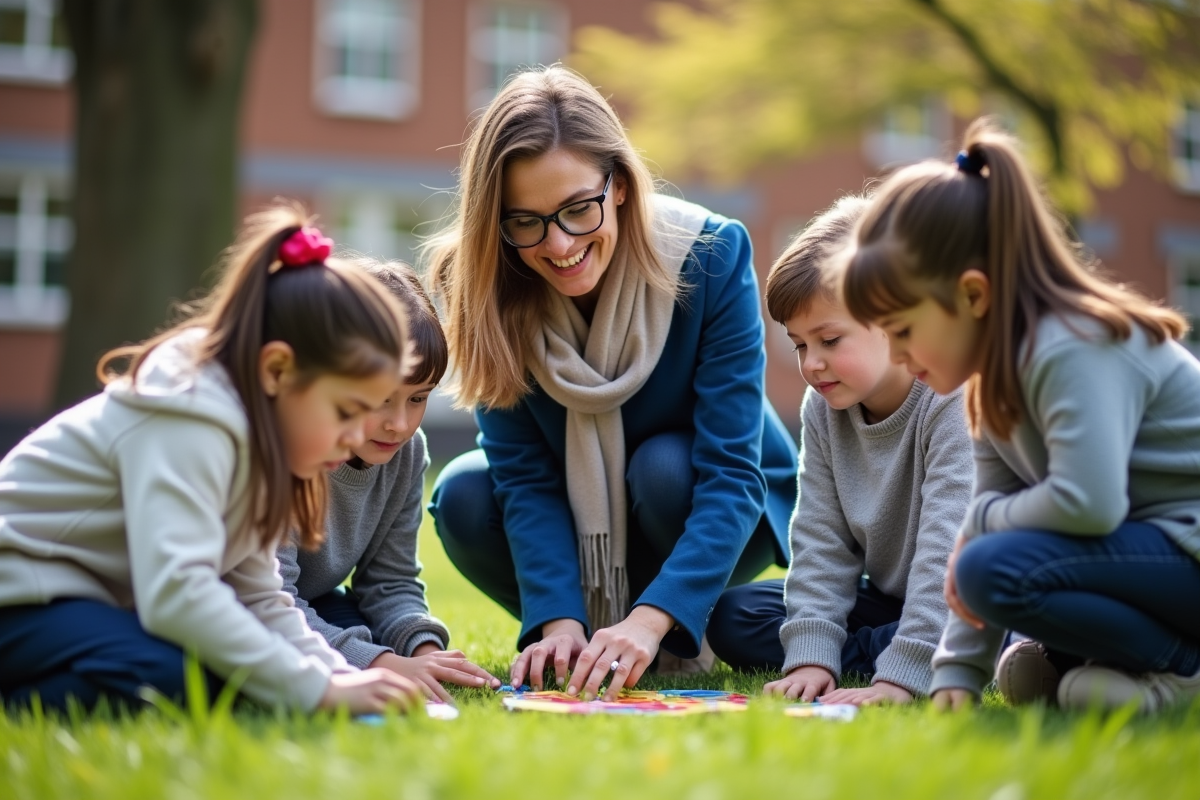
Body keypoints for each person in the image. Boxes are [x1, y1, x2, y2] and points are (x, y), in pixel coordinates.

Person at [426, 66, 797, 701]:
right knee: (463, 493)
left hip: (716, 500)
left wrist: (654, 620)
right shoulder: (483, 281)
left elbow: (731, 472)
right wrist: (558, 618)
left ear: (619, 184)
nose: (560, 244)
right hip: (582, 517)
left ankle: (673, 620)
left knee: (661, 467)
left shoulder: (709, 254)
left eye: (578, 209)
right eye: (526, 221)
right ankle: (590, 635)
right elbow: (524, 475)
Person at [0, 206, 423, 715]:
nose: (360, 435)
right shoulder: (192, 412)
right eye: (346, 411)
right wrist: (317, 691)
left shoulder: (269, 441)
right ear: (277, 371)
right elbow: (178, 593)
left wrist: (337, 676)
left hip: (84, 606)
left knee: (231, 673)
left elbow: (261, 597)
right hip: (23, 597)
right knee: (188, 679)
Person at [841, 119, 1200, 713]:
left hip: (1184, 550)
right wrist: (956, 675)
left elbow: (1088, 503)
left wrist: (986, 521)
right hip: (1149, 560)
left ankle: (1181, 670)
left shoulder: (1071, 347)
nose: (898, 355)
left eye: (904, 330)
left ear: (974, 296)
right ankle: (1112, 666)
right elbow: (986, 526)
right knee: (998, 587)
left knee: (991, 562)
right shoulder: (994, 384)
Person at [705, 196, 973, 706]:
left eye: (829, 339)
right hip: (890, 601)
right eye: (800, 344)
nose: (812, 364)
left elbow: (948, 551)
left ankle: (938, 653)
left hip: (972, 596)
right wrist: (810, 655)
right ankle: (904, 648)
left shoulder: (951, 395)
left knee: (1001, 621)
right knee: (735, 616)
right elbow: (820, 537)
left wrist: (902, 677)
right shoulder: (823, 405)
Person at [276, 259, 500, 704]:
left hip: (319, 602)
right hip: (261, 601)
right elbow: (269, 596)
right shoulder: (285, 448)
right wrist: (381, 663)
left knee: (352, 618)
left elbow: (390, 582)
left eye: (418, 398)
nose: (399, 424)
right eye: (381, 399)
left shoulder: (408, 452)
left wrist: (424, 652)